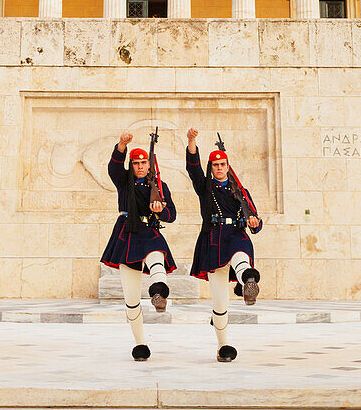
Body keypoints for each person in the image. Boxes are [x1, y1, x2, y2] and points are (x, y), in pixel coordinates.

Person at [186, 126, 262, 362]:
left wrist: (254, 221)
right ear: (212, 168)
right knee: (220, 302)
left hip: (236, 235)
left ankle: (248, 281)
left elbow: (256, 225)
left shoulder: (241, 191)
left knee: (241, 257)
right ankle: (223, 346)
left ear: (228, 167)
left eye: (223, 165)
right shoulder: (205, 187)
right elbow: (193, 168)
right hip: (214, 239)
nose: (219, 168)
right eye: (215, 165)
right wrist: (191, 141)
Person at [101, 130, 177, 361]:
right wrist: (121, 145)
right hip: (127, 231)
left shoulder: (160, 186)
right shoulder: (124, 182)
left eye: (144, 163)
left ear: (149, 164)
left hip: (149, 231)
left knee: (157, 257)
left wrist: (160, 211)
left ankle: (158, 291)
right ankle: (140, 343)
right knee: (131, 297)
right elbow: (114, 167)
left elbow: (171, 215)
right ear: (132, 165)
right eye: (136, 163)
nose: (141, 166)